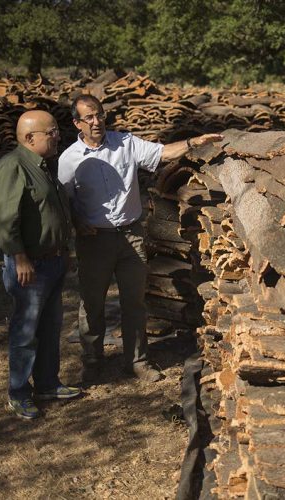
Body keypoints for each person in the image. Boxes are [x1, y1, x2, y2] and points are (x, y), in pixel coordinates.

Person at [58, 94, 222, 383]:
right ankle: (93, 362)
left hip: (131, 235)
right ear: (77, 123)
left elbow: (162, 153)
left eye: (99, 115)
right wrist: (77, 223)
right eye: (89, 117)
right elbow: (64, 202)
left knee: (134, 302)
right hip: (95, 240)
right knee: (92, 303)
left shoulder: (125, 143)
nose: (96, 122)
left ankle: (137, 361)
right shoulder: (69, 160)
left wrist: (191, 144)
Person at [0, 110, 81, 420]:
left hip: (52, 261)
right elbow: (6, 220)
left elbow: (55, 213)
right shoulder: (13, 167)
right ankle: (18, 393)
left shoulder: (43, 167)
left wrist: (63, 248)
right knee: (26, 331)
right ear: (30, 138)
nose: (58, 137)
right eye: (51, 132)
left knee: (51, 327)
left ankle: (47, 383)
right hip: (30, 266)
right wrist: (20, 258)